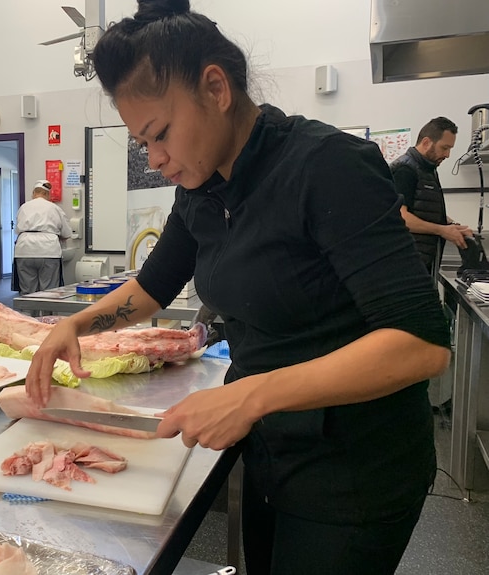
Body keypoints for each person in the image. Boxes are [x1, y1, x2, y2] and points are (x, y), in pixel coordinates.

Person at [24, 1, 451, 573]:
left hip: (355, 469)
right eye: (141, 145)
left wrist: (249, 396)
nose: (155, 161)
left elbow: (421, 343)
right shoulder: (201, 189)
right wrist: (74, 325)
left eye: (160, 135)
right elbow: (152, 288)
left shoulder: (328, 166)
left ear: (216, 88)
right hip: (271, 452)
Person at [391, 117, 473, 278]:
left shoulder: (427, 169)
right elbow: (401, 217)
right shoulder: (405, 169)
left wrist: (452, 225)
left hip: (421, 262)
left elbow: (424, 209)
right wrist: (442, 230)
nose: (448, 154)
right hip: (405, 267)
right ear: (427, 142)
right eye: (444, 148)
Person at [13, 179, 72, 295]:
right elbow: (66, 234)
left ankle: (27, 312)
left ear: (34, 193)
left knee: (27, 291)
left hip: (24, 251)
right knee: (49, 291)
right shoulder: (54, 208)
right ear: (48, 194)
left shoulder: (24, 207)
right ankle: (48, 312)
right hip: (49, 252)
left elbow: (18, 230)